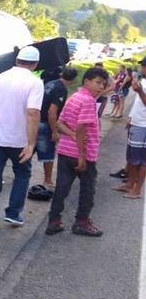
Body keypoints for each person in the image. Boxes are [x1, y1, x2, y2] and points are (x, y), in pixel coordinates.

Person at [0, 46, 44, 228]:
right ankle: (13, 213)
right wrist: (31, 144)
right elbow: (33, 113)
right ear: (35, 64)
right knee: (22, 174)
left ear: (17, 60)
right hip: (19, 140)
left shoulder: (1, 77)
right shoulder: (35, 83)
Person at [45, 67, 109, 237]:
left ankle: (54, 221)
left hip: (65, 151)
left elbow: (60, 123)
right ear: (86, 81)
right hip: (83, 154)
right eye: (97, 82)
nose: (101, 87)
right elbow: (81, 128)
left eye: (103, 84)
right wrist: (82, 156)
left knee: (62, 188)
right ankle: (82, 222)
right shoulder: (88, 101)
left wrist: (71, 135)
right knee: (88, 189)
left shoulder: (74, 97)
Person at [36, 67, 78, 188]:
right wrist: (54, 131)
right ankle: (48, 180)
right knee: (48, 153)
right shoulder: (61, 89)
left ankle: (20, 173)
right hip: (45, 124)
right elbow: (52, 112)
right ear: (74, 79)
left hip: (35, 120)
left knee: (29, 148)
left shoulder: (50, 83)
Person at [113, 58, 146, 199]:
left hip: (144, 126)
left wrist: (140, 92)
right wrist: (131, 118)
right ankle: (129, 184)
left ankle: (137, 190)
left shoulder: (141, 85)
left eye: (143, 66)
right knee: (131, 158)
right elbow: (138, 104)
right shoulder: (143, 81)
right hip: (137, 123)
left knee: (142, 160)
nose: (142, 69)